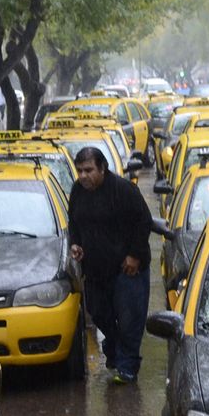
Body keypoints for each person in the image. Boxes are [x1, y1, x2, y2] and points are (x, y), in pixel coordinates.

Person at [68, 147, 152, 385]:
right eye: (80, 171)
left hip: (128, 269)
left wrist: (134, 255)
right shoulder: (77, 191)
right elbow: (73, 221)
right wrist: (76, 243)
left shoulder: (123, 190)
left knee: (129, 319)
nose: (83, 176)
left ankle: (127, 367)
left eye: (88, 170)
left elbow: (143, 221)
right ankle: (115, 348)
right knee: (98, 312)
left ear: (102, 168)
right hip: (95, 269)